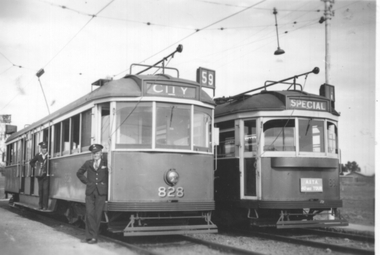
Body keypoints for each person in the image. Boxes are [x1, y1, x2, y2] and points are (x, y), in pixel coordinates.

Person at [77, 144, 108, 244]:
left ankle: (94, 237)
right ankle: (89, 236)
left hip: (101, 192)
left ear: (101, 153)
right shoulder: (88, 163)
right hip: (90, 192)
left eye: (98, 153)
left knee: (97, 215)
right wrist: (87, 182)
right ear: (92, 154)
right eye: (94, 153)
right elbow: (79, 173)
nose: (96, 155)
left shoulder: (106, 163)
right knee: (89, 213)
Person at [30, 141, 49, 210]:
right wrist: (35, 167)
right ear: (41, 149)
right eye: (43, 148)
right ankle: (40, 205)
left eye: (45, 148)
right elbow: (31, 162)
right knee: (40, 190)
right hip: (40, 176)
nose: (44, 149)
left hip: (46, 176)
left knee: (45, 191)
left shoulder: (49, 155)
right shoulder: (38, 155)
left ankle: (45, 206)